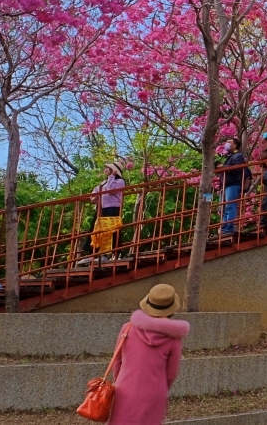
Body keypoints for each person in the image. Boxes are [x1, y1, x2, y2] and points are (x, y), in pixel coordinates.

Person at [108, 284, 190, 425]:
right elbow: (171, 373)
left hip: (124, 388)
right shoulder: (173, 339)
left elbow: (117, 362)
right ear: (171, 309)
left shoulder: (127, 328)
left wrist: (121, 380)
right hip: (154, 392)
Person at [84, 162, 126, 258]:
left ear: (114, 170)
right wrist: (94, 196)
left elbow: (111, 190)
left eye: (108, 168)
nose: (105, 170)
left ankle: (111, 253)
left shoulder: (120, 181)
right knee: (96, 230)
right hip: (103, 208)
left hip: (113, 208)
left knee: (111, 230)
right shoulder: (105, 181)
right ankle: (94, 253)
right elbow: (97, 189)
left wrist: (112, 176)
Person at [219, 139, 251, 236]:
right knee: (224, 208)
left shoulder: (238, 156)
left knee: (230, 206)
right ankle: (224, 228)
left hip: (232, 184)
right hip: (226, 185)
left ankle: (229, 228)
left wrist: (223, 167)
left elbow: (238, 169)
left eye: (230, 142)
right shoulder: (231, 156)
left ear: (235, 145)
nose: (227, 144)